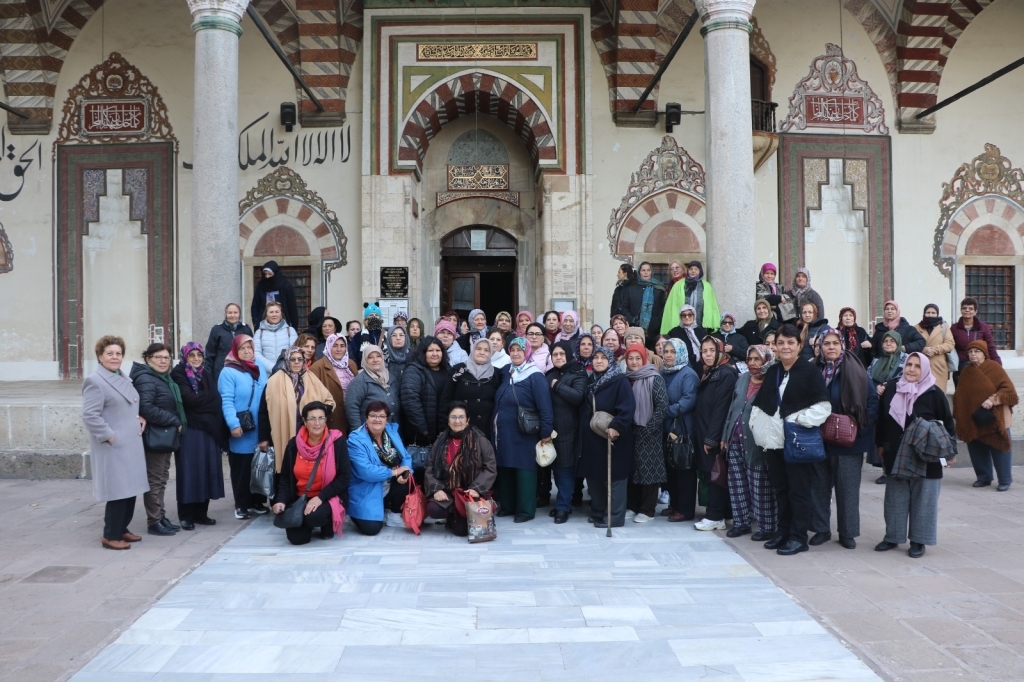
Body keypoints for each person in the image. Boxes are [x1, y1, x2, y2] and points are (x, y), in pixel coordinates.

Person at [750, 324, 832, 556]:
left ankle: (798, 537)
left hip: (795, 443)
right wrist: (756, 426)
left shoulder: (808, 372)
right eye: (781, 342)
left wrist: (798, 421)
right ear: (775, 346)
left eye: (790, 342)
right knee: (781, 490)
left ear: (798, 346)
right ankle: (783, 531)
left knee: (799, 491)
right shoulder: (774, 371)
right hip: (773, 443)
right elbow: (760, 404)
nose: (785, 347)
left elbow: (823, 406)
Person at [875, 353, 955, 558]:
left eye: (917, 366)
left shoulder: (934, 393)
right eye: (909, 364)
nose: (911, 369)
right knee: (895, 498)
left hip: (926, 455)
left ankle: (919, 541)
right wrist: (880, 445)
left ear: (925, 369)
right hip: (896, 452)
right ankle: (893, 536)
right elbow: (882, 420)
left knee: (924, 499)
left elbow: (947, 424)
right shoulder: (893, 388)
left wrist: (949, 453)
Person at [81, 336, 148, 550]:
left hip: (129, 442)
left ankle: (122, 529)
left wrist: (137, 418)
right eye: (110, 353)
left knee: (130, 489)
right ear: (100, 356)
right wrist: (110, 436)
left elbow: (125, 405)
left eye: (118, 353)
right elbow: (90, 415)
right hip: (114, 445)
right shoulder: (96, 381)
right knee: (118, 491)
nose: (115, 357)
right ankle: (110, 534)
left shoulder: (121, 376)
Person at [814, 329, 877, 550]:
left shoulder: (857, 370)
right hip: (820, 439)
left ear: (842, 345)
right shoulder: (815, 369)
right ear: (820, 346)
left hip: (850, 441)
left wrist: (858, 429)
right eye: (826, 343)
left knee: (847, 488)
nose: (831, 347)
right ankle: (821, 529)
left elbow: (871, 401)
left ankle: (847, 532)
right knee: (819, 487)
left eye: (835, 343)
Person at [492, 337, 554, 522]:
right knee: (506, 467)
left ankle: (525, 510)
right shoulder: (506, 372)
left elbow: (545, 407)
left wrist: (546, 432)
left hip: (526, 433)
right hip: (505, 432)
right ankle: (508, 506)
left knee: (524, 470)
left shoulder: (534, 375)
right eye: (512, 350)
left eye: (520, 350)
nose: (516, 353)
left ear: (526, 352)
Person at [272, 402, 351, 545]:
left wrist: (320, 498)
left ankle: (326, 523)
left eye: (321, 418)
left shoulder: (337, 441)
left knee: (313, 517)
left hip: (327, 496)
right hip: (300, 497)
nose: (317, 423)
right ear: (304, 421)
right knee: (297, 540)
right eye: (312, 418)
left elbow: (344, 477)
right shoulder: (294, 444)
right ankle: (306, 522)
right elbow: (285, 477)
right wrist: (281, 500)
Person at [720, 345, 777, 540]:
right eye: (750, 359)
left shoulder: (772, 381)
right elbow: (732, 408)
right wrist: (725, 435)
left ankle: (767, 527)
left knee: (759, 485)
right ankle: (741, 523)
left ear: (766, 360)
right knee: (737, 484)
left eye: (757, 359)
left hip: (757, 442)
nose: (752, 363)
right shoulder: (742, 379)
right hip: (735, 439)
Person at [170, 343, 226, 530]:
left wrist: (205, 399)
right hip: (190, 429)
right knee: (189, 471)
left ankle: (201, 513)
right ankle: (186, 515)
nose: (196, 358)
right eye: (191, 355)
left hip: (209, 429)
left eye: (199, 355)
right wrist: (207, 399)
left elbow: (216, 399)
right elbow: (189, 399)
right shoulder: (178, 373)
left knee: (207, 469)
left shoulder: (206, 373)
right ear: (185, 357)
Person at [130, 343, 185, 537]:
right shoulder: (146, 378)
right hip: (155, 436)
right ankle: (154, 521)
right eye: (158, 357)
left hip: (164, 434)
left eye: (166, 357)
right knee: (155, 479)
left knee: (161, 478)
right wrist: (174, 420)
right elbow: (146, 407)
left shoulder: (163, 378)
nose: (163, 361)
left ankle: (160, 517)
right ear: (148, 359)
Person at [579, 346, 635, 528]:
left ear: (610, 360)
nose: (599, 361)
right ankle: (598, 512)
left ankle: (614, 517)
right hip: (593, 438)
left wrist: (617, 426)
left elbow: (627, 407)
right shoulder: (591, 381)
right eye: (596, 357)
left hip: (612, 438)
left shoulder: (619, 381)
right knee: (595, 476)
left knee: (615, 478)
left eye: (604, 357)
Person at [258, 346, 335, 475]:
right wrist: (263, 438)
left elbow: (329, 401)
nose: (297, 362)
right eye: (293, 359)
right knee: (285, 470)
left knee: (307, 471)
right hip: (283, 434)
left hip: (308, 435)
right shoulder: (273, 381)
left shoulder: (312, 379)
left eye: (300, 359)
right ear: (286, 361)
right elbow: (263, 412)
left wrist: (319, 412)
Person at [424, 402, 498, 536]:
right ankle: (454, 514)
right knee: (434, 509)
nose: (457, 421)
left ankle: (458, 516)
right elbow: (429, 466)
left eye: (461, 417)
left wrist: (477, 488)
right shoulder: (441, 440)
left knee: (461, 531)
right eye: (453, 417)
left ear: (467, 419)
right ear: (448, 419)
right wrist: (436, 489)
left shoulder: (480, 440)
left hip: (469, 493)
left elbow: (490, 467)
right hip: (448, 492)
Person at [954, 340, 1018, 491]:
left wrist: (993, 400)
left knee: (1000, 446)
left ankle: (1004, 480)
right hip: (974, 416)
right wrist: (960, 413)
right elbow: (960, 395)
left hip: (997, 415)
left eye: (976, 351)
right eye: (970, 352)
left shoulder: (994, 368)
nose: (973, 354)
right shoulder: (966, 372)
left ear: (984, 354)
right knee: (976, 447)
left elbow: (1009, 390)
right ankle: (984, 477)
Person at [218, 335, 269, 519]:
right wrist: (233, 423)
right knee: (242, 467)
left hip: (260, 425)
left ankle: (257, 501)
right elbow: (227, 400)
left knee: (259, 466)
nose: (247, 351)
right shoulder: (229, 372)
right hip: (242, 428)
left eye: (250, 348)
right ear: (235, 351)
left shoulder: (260, 367)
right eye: (242, 348)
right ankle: (241, 504)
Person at [692, 337, 738, 531]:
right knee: (716, 474)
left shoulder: (725, 374)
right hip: (705, 431)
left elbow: (721, 408)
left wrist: (711, 438)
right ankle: (726, 514)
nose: (708, 354)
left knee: (715, 475)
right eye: (704, 351)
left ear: (720, 352)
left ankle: (715, 516)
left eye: (712, 350)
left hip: (713, 436)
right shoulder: (711, 372)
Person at [346, 401, 412, 534]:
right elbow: (366, 472)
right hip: (366, 489)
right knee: (372, 529)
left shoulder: (391, 432)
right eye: (373, 415)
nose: (377, 419)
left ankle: (393, 513)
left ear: (386, 419)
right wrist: (394, 472)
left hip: (387, 485)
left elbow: (406, 457)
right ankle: (354, 515)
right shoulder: (356, 440)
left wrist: (403, 473)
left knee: (408, 477)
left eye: (381, 416)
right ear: (366, 418)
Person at [623, 344, 668, 523]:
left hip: (650, 431)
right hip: (630, 431)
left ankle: (647, 510)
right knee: (633, 470)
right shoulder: (625, 378)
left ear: (644, 359)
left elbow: (662, 406)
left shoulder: (654, 378)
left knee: (649, 471)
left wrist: (649, 429)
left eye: (637, 358)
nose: (634, 362)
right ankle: (633, 506)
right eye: (631, 358)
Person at [545, 341, 588, 523]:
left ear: (569, 355)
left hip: (569, 430)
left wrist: (557, 386)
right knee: (554, 468)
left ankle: (563, 507)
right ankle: (562, 503)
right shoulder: (549, 374)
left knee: (565, 469)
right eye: (555, 355)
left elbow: (578, 397)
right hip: (550, 430)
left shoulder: (578, 372)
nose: (559, 357)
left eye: (562, 354)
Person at [660, 338, 699, 523]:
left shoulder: (688, 374)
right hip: (667, 428)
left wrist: (664, 411)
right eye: (666, 351)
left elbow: (687, 402)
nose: (668, 355)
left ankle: (685, 509)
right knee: (672, 468)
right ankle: (674, 505)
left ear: (681, 353)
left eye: (672, 352)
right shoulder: (663, 372)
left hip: (684, 429)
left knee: (684, 469)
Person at [401, 337, 449, 473]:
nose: (435, 353)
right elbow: (410, 400)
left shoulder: (447, 370)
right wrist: (423, 428)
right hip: (421, 433)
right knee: (423, 472)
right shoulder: (414, 370)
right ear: (423, 353)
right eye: (430, 350)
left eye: (438, 350)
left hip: (442, 431)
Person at [443, 338, 502, 440]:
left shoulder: (496, 374)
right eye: (478, 349)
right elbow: (446, 399)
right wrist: (443, 428)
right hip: (460, 428)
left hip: (485, 431)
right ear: (473, 350)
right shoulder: (459, 370)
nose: (482, 353)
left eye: (486, 350)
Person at [344, 344, 401, 432]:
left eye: (378, 356)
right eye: (370, 357)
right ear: (365, 360)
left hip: (393, 432)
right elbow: (351, 407)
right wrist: (359, 432)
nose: (375, 360)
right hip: (369, 433)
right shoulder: (359, 382)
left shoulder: (391, 378)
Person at [309, 334, 353, 435]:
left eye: (342, 346)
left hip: (350, 415)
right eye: (334, 345)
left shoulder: (350, 364)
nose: (339, 349)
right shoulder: (317, 367)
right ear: (328, 346)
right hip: (332, 417)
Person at [951, 296, 1001, 384]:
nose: (967, 310)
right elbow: (950, 347)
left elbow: (990, 346)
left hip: (980, 365)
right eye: (964, 308)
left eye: (970, 308)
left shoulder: (983, 327)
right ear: (961, 310)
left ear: (975, 312)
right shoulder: (954, 328)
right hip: (961, 367)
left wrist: (997, 363)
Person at [661, 260, 720, 334]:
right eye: (691, 269)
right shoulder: (678, 285)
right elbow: (671, 306)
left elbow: (712, 305)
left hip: (701, 323)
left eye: (696, 269)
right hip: (683, 323)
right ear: (688, 271)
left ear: (700, 271)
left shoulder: (706, 286)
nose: (693, 271)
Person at [204, 302, 253, 379]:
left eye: (235, 313)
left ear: (239, 314)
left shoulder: (246, 329)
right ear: (226, 314)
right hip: (221, 371)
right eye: (230, 313)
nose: (232, 315)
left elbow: (252, 351)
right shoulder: (217, 329)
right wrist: (209, 375)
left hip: (242, 371)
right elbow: (210, 354)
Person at [915, 304, 956, 392]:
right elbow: (912, 344)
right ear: (924, 314)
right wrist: (923, 350)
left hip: (939, 366)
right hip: (921, 366)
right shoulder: (916, 328)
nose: (930, 315)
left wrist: (934, 350)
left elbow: (950, 343)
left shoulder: (944, 327)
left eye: (933, 313)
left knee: (938, 395)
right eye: (928, 312)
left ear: (937, 314)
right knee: (922, 395)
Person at [251, 260, 299, 329]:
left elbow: (292, 306)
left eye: (270, 274)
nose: (267, 277)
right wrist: (255, 322)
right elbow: (255, 305)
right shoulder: (261, 286)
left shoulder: (285, 286)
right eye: (265, 274)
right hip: (263, 324)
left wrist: (294, 324)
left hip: (283, 324)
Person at [253, 301, 298, 374]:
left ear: (281, 314)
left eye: (277, 312)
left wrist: (282, 368)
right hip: (266, 374)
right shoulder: (259, 333)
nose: (274, 315)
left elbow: (294, 352)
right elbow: (256, 354)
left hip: (286, 373)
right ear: (266, 315)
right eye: (271, 312)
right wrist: (273, 368)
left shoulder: (290, 331)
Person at [636, 261, 667, 348]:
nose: (646, 272)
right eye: (643, 270)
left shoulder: (659, 288)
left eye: (648, 270)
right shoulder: (634, 288)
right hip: (637, 328)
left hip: (654, 328)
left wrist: (657, 322)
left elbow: (663, 307)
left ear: (651, 272)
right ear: (639, 272)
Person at [868, 331, 907, 396]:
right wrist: (876, 386)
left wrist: (887, 386)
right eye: (885, 341)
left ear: (898, 343)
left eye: (892, 341)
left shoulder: (906, 359)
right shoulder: (876, 361)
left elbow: (905, 378)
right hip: (876, 398)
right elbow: (868, 378)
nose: (888, 344)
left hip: (895, 396)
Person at [352, 303, 386, 368]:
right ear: (366, 318)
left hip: (384, 369)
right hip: (365, 369)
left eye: (377, 315)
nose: (374, 317)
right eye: (371, 315)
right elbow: (355, 356)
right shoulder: (358, 336)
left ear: (380, 317)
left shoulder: (386, 335)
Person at [384, 325, 410, 390]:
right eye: (394, 335)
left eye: (401, 335)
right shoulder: (382, 356)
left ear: (406, 337)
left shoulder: (413, 356)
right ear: (389, 338)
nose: (398, 338)